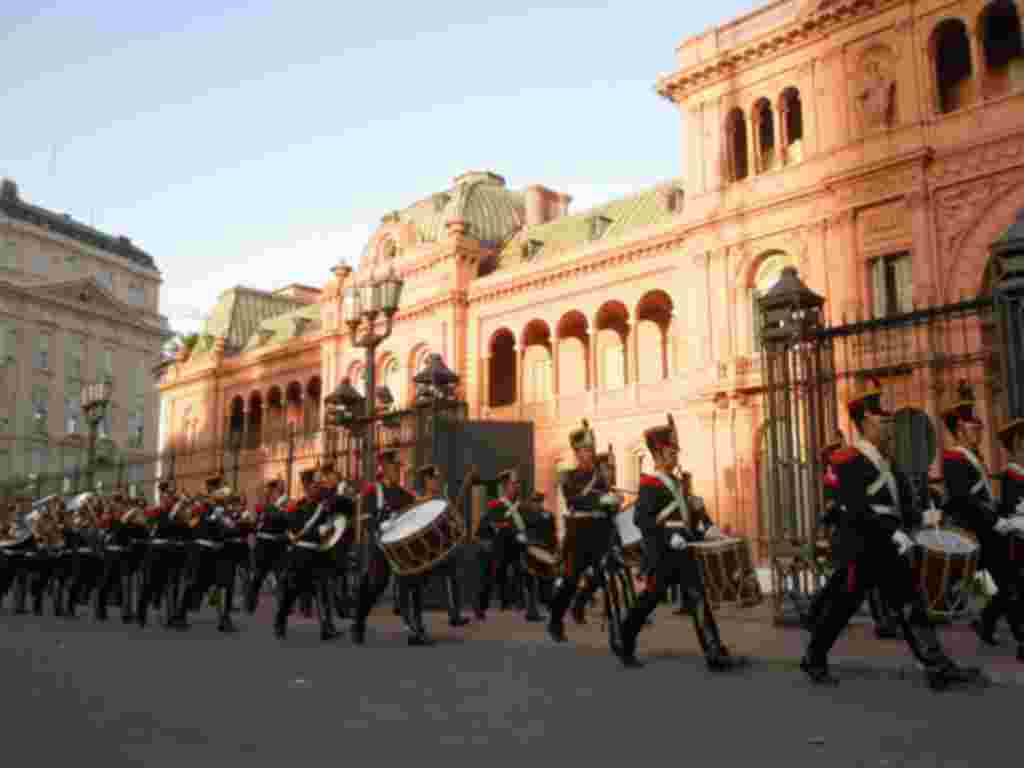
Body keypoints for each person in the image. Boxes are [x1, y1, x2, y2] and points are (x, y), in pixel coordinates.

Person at [801, 377, 979, 690]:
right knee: (843, 606)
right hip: (862, 545)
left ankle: (936, 666)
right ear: (865, 423)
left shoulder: (889, 461)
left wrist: (923, 515)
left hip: (889, 546)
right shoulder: (848, 459)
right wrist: (890, 531)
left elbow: (901, 502)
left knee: (911, 603)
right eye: (882, 422)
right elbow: (855, 507)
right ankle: (814, 656)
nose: (888, 428)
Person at [616, 415, 746, 670]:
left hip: (685, 550)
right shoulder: (650, 484)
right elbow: (643, 520)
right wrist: (667, 536)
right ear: (660, 453)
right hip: (663, 553)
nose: (676, 454)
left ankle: (714, 652)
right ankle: (625, 639)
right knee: (649, 600)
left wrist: (708, 527)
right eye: (672, 450)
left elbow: (690, 513)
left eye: (675, 450)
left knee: (698, 599)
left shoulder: (677, 483)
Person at [944, 386, 1024, 663]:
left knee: (1010, 582)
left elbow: (983, 498)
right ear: (959, 429)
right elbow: (963, 498)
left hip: (987, 529)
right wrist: (995, 520)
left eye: (978, 427)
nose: (978, 431)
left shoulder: (973, 457)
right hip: (973, 531)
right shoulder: (954, 457)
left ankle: (988, 622)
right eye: (972, 427)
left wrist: (1005, 516)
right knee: (1011, 583)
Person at [547, 420, 618, 642]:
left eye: (591, 450)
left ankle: (580, 602)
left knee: (603, 575)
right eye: (586, 450)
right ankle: (555, 621)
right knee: (569, 581)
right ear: (577, 453)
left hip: (599, 534)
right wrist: (601, 499)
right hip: (578, 535)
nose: (590, 454)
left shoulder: (602, 477)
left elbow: (607, 507)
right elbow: (574, 500)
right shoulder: (568, 476)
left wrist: (613, 502)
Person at [351, 450, 426, 645]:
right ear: (383, 468)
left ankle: (415, 630)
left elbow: (413, 516)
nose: (397, 471)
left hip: (401, 548)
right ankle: (358, 621)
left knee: (411, 583)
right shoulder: (372, 491)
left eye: (398, 468)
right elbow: (365, 519)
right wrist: (379, 524)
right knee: (376, 585)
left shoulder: (404, 494)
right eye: (394, 467)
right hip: (379, 545)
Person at [417, 464, 472, 627]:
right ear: (426, 480)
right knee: (418, 583)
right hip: (425, 549)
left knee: (452, 576)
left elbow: (453, 516)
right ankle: (414, 618)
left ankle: (454, 615)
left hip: (442, 547)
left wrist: (457, 527)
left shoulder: (442, 498)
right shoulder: (418, 500)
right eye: (433, 479)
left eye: (437, 479)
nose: (436, 482)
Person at [476, 469, 525, 620]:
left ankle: (523, 605)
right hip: (500, 547)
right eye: (513, 484)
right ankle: (481, 607)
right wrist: (493, 532)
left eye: (517, 484)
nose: (516, 487)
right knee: (490, 577)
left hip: (516, 547)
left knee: (521, 573)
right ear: (505, 486)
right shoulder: (496, 505)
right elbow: (484, 527)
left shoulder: (522, 506)